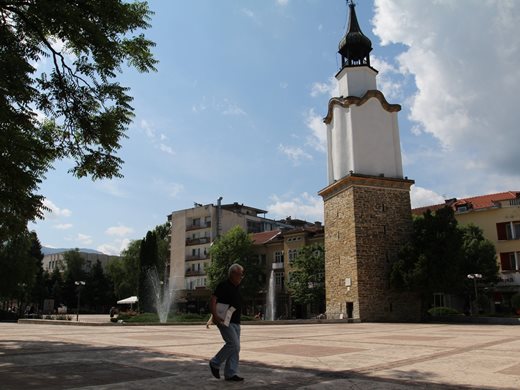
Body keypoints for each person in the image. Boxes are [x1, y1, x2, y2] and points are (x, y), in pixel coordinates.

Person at [209, 263, 244, 382]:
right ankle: (215, 362)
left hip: (235, 322)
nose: (241, 277)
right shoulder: (223, 285)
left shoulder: (237, 287)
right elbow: (213, 300)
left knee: (236, 348)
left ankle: (230, 373)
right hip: (224, 321)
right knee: (234, 344)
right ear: (232, 274)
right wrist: (215, 316)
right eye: (239, 274)